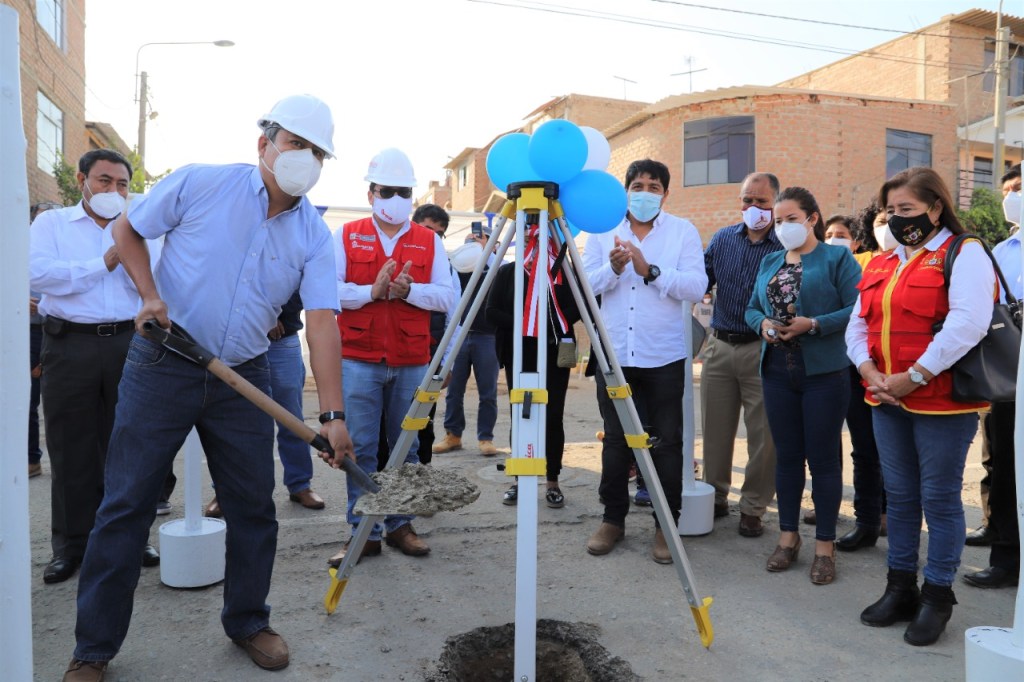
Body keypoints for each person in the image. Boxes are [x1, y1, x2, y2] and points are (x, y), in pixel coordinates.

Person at [62, 95, 354, 681]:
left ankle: (248, 619)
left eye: (317, 151)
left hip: (242, 376)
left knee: (253, 506)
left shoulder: (316, 236)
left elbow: (322, 321)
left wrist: (333, 414)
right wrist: (149, 295)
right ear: (264, 144)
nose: (306, 158)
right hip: (162, 361)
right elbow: (127, 228)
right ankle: (92, 649)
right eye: (296, 143)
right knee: (125, 504)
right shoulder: (201, 184)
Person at [846, 166, 994, 647]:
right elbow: (857, 327)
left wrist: (915, 376)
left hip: (940, 401)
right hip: (885, 397)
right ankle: (900, 587)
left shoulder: (962, 252)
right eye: (891, 211)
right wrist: (870, 373)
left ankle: (937, 596)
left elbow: (968, 322)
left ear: (935, 207)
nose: (896, 220)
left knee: (940, 500)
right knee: (902, 497)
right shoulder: (884, 262)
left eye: (907, 210)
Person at [29, 151, 161, 587]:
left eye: (122, 184)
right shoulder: (52, 224)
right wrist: (102, 262)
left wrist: (128, 253)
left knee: (127, 447)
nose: (114, 191)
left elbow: (153, 280)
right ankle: (71, 546)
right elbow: (37, 276)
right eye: (105, 181)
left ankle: (130, 538)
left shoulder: (140, 227)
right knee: (71, 449)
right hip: (68, 344)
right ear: (83, 179)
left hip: (129, 342)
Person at [329, 148, 455, 566]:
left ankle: (401, 524)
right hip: (359, 359)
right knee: (360, 447)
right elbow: (329, 293)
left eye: (404, 192)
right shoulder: (347, 236)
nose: (396, 198)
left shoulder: (429, 241)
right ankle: (363, 531)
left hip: (411, 358)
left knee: (408, 447)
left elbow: (446, 296)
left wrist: (408, 292)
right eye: (388, 190)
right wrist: (372, 292)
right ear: (371, 193)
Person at [583, 159, 708, 564]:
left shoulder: (683, 231)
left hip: (665, 355)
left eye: (654, 186)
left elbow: (696, 285)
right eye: (638, 185)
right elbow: (584, 285)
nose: (645, 192)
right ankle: (612, 520)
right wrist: (615, 268)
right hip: (616, 355)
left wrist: (648, 269)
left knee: (667, 444)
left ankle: (664, 526)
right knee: (617, 442)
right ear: (625, 190)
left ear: (666, 194)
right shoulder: (602, 230)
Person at [746, 187, 862, 584]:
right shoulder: (771, 261)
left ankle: (825, 546)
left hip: (824, 374)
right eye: (778, 221)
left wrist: (814, 324)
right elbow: (752, 306)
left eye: (791, 219)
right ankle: (788, 536)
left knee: (825, 460)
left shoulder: (837, 258)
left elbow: (856, 307)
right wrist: (762, 324)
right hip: (778, 370)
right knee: (788, 457)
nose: (783, 227)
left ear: (813, 219)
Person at [702, 172, 783, 537]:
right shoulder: (722, 239)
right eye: (747, 200)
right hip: (719, 347)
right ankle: (715, 496)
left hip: (763, 349)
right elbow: (698, 279)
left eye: (762, 202)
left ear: (775, 205)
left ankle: (753, 507)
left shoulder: (785, 245)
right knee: (715, 430)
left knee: (763, 436)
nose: (753, 208)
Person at [486, 225, 580, 507]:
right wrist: (526, 322)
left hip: (554, 355)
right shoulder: (507, 272)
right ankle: (519, 479)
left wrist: (547, 320)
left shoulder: (562, 273)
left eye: (540, 238)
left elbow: (579, 308)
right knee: (521, 415)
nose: (533, 244)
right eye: (528, 239)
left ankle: (553, 480)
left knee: (553, 417)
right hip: (519, 353)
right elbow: (491, 312)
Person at [962, 163, 1021, 588]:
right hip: (1009, 375)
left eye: (1017, 188)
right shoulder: (1002, 250)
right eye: (1006, 190)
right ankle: (1005, 556)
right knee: (1002, 464)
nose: (1010, 198)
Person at [833, 203, 891, 551]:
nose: (890, 226)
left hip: (907, 373)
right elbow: (854, 317)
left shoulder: (935, 261)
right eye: (883, 220)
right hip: (860, 369)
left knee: (899, 454)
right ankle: (867, 521)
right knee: (865, 450)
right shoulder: (866, 262)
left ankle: (896, 523)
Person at [434, 229, 501, 458]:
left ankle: (486, 438)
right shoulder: (457, 265)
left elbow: (498, 273)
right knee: (453, 389)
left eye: (481, 236)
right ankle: (453, 435)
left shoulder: (498, 267)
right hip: (458, 335)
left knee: (488, 391)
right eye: (470, 237)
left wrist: (486, 251)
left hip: (487, 336)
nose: (473, 239)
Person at [28, 201, 62, 479]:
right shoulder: (15, 249)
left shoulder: (66, 246)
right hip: (25, 332)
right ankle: (30, 458)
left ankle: (66, 460)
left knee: (58, 401)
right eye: (39, 220)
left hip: (57, 331)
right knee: (27, 398)